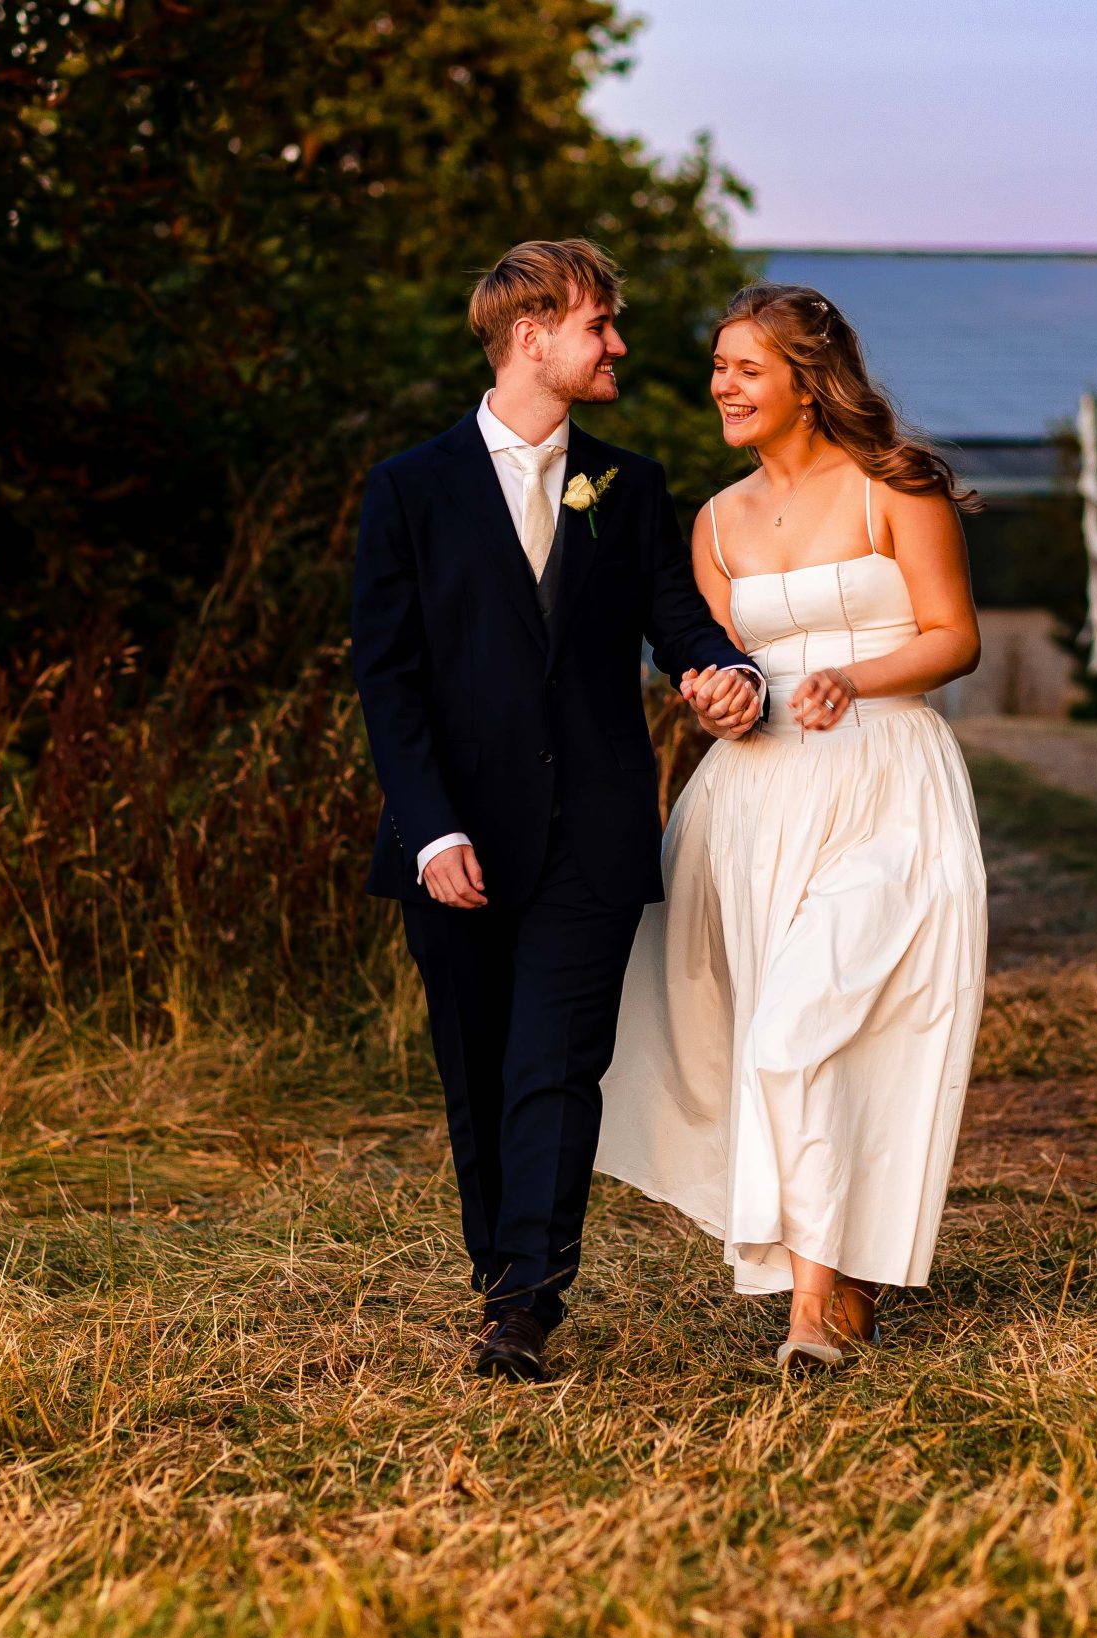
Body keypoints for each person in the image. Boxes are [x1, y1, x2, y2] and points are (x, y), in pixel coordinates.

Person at [349, 240, 766, 1382]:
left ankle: (527, 1302)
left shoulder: (625, 486)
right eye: (599, 325)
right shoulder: (409, 488)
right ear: (530, 336)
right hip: (456, 839)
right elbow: (387, 677)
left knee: (556, 1063)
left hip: (592, 828)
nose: (618, 344)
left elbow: (677, 623)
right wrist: (431, 829)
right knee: (477, 1067)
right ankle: (498, 1275)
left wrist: (726, 673)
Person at [597, 282, 989, 1375]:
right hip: (754, 798)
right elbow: (710, 659)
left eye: (744, 369)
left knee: (808, 1023)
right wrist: (711, 696)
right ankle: (827, 1283)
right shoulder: (713, 520)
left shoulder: (894, 487)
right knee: (776, 1036)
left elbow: (953, 638)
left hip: (882, 780)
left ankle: (817, 1304)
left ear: (806, 385)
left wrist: (849, 679)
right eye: (718, 367)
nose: (721, 385)